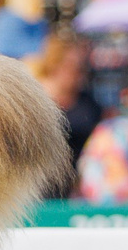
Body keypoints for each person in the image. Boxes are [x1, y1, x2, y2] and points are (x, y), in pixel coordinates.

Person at [28, 34, 102, 200]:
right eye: (76, 69)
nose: (81, 75)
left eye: (83, 69)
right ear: (56, 66)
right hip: (40, 188)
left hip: (80, 188)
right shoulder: (35, 101)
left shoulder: (88, 102)